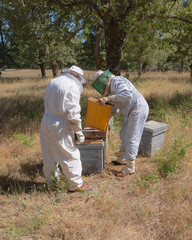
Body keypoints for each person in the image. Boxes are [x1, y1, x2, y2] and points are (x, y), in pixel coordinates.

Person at [40, 65, 93, 192]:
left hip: (46, 121)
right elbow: (73, 113)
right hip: (60, 124)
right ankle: (76, 185)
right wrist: (78, 132)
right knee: (70, 153)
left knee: (49, 154)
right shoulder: (72, 86)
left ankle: (51, 182)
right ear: (77, 77)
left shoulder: (53, 82)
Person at [91, 70, 149, 175]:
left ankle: (130, 166)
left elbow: (127, 95)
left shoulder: (117, 81)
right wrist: (102, 119)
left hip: (137, 108)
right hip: (130, 111)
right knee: (123, 133)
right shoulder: (111, 89)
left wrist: (107, 98)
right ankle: (122, 158)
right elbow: (115, 109)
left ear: (102, 80)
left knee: (132, 136)